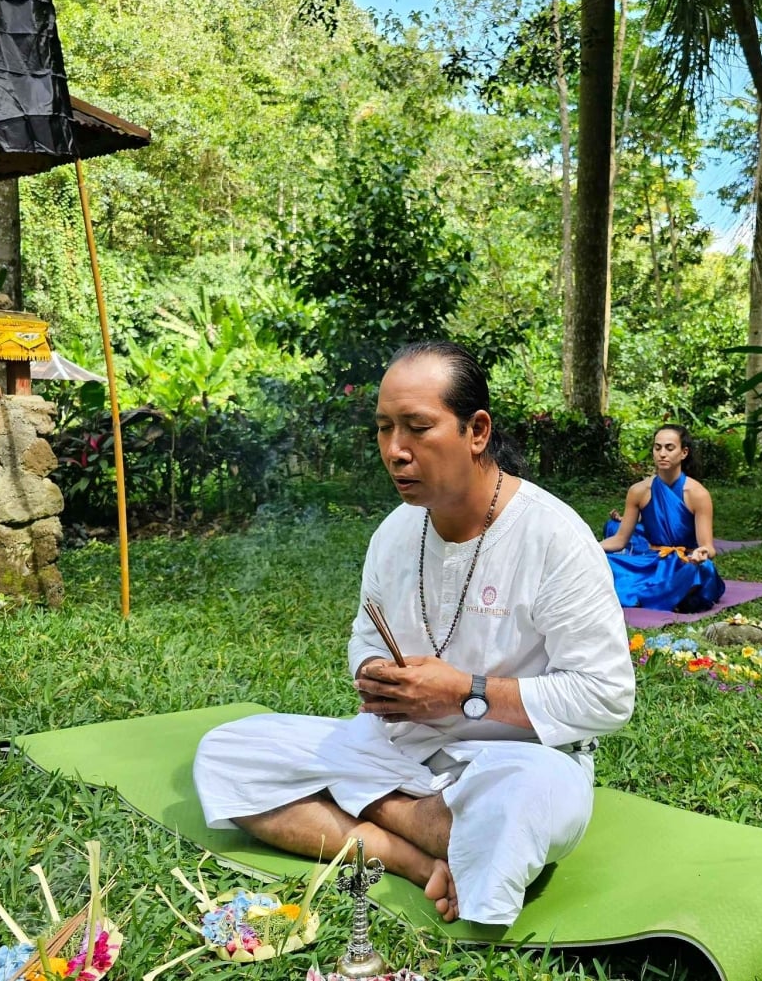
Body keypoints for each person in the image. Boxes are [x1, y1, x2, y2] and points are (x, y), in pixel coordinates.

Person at [194, 341, 635, 927]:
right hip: (399, 748)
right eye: (383, 429)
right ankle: (415, 851)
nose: (395, 451)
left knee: (520, 802)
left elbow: (607, 696)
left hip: (518, 758)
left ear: (476, 431)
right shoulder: (394, 534)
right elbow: (367, 636)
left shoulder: (554, 538)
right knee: (228, 752)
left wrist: (462, 693)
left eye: (417, 428)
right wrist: (372, 673)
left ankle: (405, 815)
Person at [599, 425, 727, 612]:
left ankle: (655, 595)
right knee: (606, 563)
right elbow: (619, 540)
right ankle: (670, 597)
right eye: (657, 448)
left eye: (669, 448)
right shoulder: (638, 491)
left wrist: (701, 554)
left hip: (687, 562)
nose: (662, 454)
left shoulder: (697, 494)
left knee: (703, 569)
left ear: (683, 453)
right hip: (654, 561)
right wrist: (589, 547)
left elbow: (707, 546)